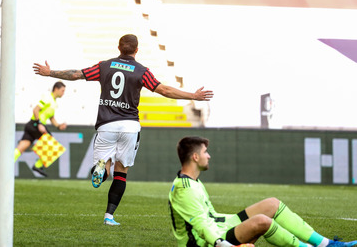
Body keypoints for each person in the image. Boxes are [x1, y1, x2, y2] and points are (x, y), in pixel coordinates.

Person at [33, 34, 214, 225]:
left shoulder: (105, 66)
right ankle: (109, 216)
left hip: (106, 125)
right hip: (129, 126)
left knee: (104, 169)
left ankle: (101, 171)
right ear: (137, 50)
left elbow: (76, 74)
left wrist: (50, 72)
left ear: (118, 48)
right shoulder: (142, 71)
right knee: (121, 172)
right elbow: (165, 91)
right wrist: (193, 95)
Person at [168, 136, 357, 247]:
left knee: (271, 204)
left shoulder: (193, 182)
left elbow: (210, 217)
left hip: (220, 226)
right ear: (195, 157)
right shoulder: (184, 189)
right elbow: (202, 226)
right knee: (262, 221)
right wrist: (222, 244)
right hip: (207, 242)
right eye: (205, 152)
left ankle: (328, 244)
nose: (209, 155)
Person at [14, 81, 67, 177]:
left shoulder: (54, 102)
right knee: (53, 147)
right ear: (56, 89)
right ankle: (38, 165)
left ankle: (6, 165)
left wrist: (59, 126)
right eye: (62, 90)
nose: (63, 93)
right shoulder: (48, 98)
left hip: (32, 125)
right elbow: (35, 109)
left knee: (20, 148)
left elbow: (52, 118)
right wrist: (39, 124)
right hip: (36, 125)